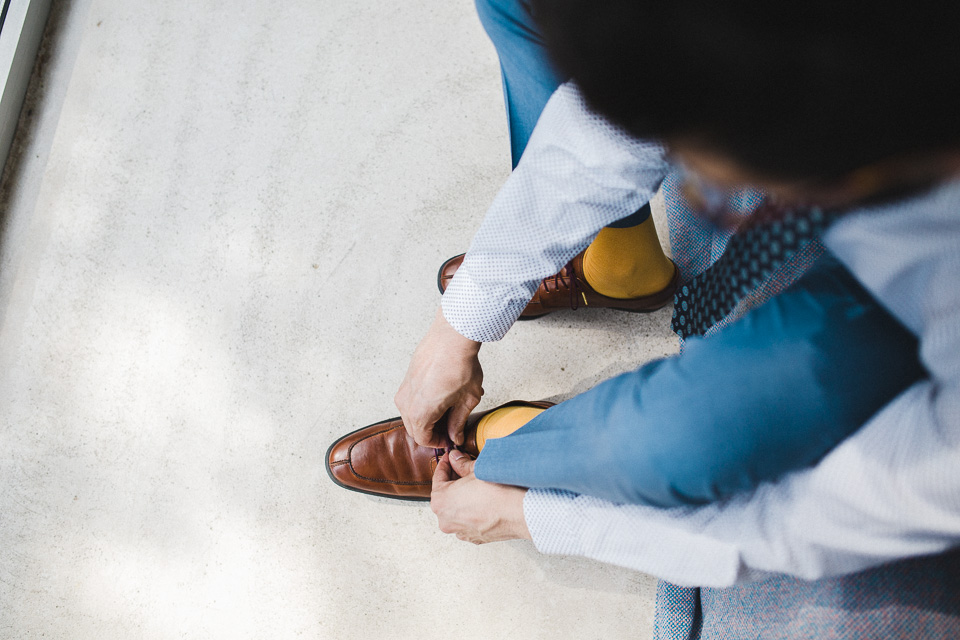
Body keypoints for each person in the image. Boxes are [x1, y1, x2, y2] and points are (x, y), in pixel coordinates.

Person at [328, 0, 960, 636]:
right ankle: (621, 270)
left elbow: (790, 525)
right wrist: (457, 324)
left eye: (696, 165)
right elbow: (621, 118)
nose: (678, 178)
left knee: (684, 441)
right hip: (884, 177)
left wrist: (533, 520)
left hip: (920, 334)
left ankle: (519, 449)